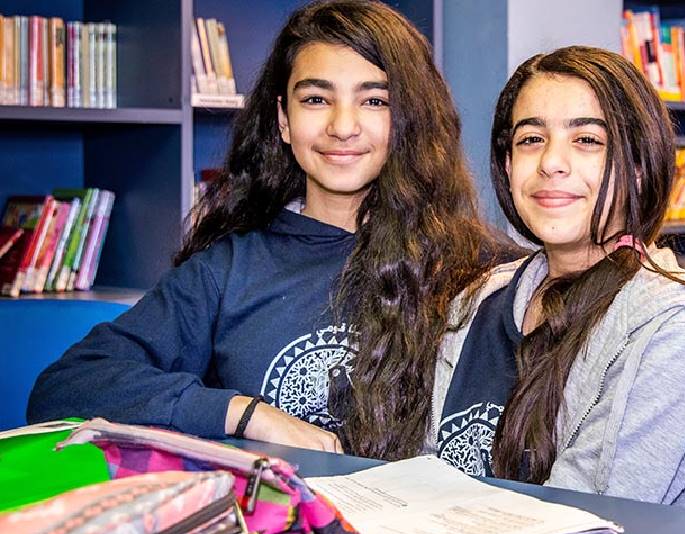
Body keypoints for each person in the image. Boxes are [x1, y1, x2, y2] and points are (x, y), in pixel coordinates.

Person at [27, 0, 504, 458]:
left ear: (409, 120)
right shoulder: (227, 269)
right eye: (316, 99)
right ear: (284, 120)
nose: (343, 126)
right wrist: (244, 414)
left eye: (374, 100)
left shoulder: (479, 271)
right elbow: (66, 385)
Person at [427, 46, 685, 508]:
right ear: (507, 165)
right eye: (531, 139)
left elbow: (580, 518)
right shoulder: (479, 300)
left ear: (639, 167)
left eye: (587, 140)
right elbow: (426, 473)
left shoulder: (671, 333)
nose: (551, 162)